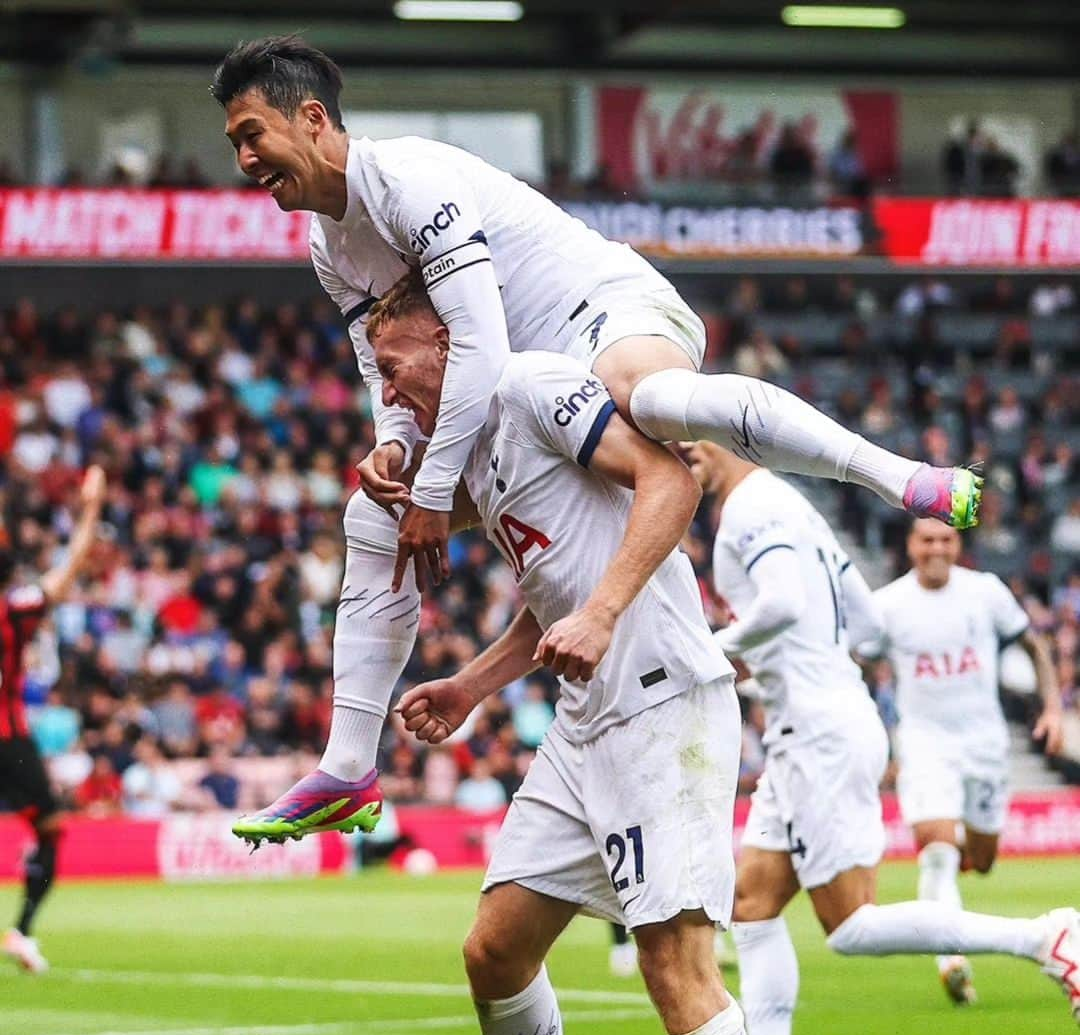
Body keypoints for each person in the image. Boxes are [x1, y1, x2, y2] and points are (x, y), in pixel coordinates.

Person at [213, 34, 980, 846]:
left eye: (251, 134)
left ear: (311, 117)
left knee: (642, 397)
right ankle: (346, 766)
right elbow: (387, 372)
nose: (243, 159)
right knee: (372, 516)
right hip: (521, 391)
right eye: (234, 143)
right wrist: (397, 452)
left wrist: (436, 496)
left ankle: (898, 477)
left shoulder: (410, 180)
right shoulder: (329, 245)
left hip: (598, 316)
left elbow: (477, 345)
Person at [370, 274, 771, 1035]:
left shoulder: (533, 386)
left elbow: (672, 484)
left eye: (394, 366)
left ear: (445, 342)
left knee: (674, 961)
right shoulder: (480, 454)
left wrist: (600, 614)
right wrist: (470, 684)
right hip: (587, 721)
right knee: (493, 950)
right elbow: (552, 596)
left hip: (664, 705)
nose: (389, 391)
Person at [679, 445, 1078, 1035]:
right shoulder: (794, 507)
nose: (678, 449)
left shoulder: (749, 507)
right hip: (813, 724)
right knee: (753, 901)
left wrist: (701, 655)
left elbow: (777, 603)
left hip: (819, 731)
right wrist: (786, 663)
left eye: (686, 435)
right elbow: (863, 623)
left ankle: (1046, 936)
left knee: (851, 924)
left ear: (718, 436)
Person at [872, 518, 1068, 1006]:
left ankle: (953, 873)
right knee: (937, 851)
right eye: (926, 540)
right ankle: (951, 959)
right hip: (924, 744)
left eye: (945, 539)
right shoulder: (887, 606)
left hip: (984, 745)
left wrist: (1051, 708)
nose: (936, 548)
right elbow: (857, 665)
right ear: (910, 546)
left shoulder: (986, 591)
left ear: (957, 544)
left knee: (979, 860)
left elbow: (1034, 646)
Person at [1, 465, 106, 974]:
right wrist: (91, 507)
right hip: (7, 738)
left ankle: (21, 933)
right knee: (50, 828)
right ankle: (21, 930)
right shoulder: (16, 609)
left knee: (49, 826)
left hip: (12, 736)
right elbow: (73, 564)